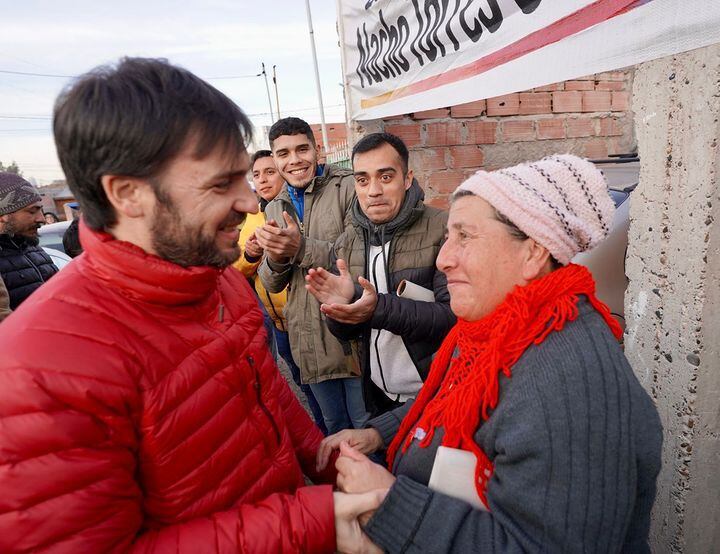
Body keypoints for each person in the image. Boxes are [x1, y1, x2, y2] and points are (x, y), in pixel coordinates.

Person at [0, 57, 384, 553]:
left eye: (243, 178)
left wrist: (325, 459)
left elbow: (263, 392)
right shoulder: (39, 369)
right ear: (129, 194)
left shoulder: (214, 279)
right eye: (221, 184)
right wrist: (306, 522)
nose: (249, 202)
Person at [317, 155, 663, 553]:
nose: (444, 258)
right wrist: (381, 432)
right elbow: (461, 402)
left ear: (533, 253)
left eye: (465, 236)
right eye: (448, 236)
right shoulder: (500, 330)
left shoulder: (567, 385)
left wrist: (391, 505)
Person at [305, 132, 455, 417]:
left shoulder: (443, 230)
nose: (373, 191)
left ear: (407, 178)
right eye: (362, 180)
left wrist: (376, 308)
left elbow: (455, 319)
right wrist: (341, 311)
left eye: (385, 177)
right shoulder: (347, 242)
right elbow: (348, 334)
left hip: (438, 391)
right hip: (377, 394)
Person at [257, 117, 368, 435]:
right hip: (307, 337)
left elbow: (357, 257)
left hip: (350, 331)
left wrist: (300, 247)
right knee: (333, 427)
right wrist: (278, 258)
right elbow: (271, 282)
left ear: (317, 150)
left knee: (365, 427)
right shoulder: (274, 207)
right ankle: (342, 486)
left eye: (302, 149)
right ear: (276, 159)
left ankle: (380, 486)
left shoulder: (348, 186)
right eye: (284, 153)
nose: (294, 160)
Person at [235, 149, 327, 434]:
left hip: (309, 317)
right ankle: (322, 433)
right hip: (278, 324)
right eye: (256, 175)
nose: (262, 180)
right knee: (303, 386)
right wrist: (250, 255)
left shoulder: (299, 211)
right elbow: (236, 272)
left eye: (269, 172)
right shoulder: (251, 218)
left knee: (326, 389)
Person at [0, 172, 59, 309]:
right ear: (3, 216)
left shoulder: (35, 250)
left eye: (41, 211)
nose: (42, 219)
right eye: (32, 211)